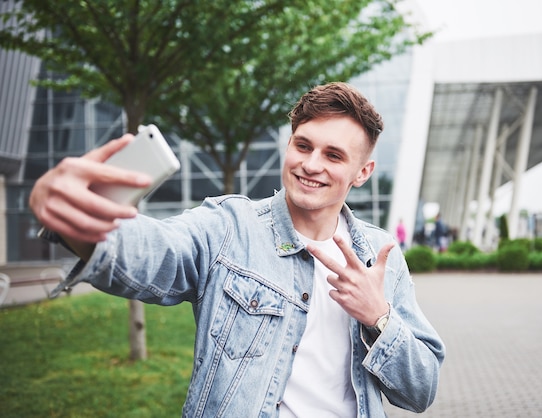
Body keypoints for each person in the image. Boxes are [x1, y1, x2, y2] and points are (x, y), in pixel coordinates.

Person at [30, 82, 445, 417]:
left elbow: (420, 391)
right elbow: (152, 253)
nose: (311, 164)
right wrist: (69, 218)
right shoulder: (229, 227)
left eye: (333, 155)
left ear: (362, 172)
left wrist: (379, 318)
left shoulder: (382, 258)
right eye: (303, 146)